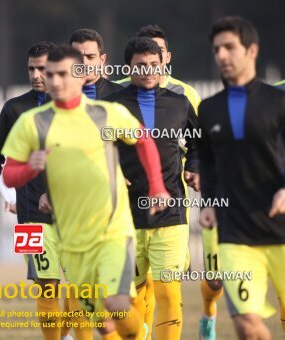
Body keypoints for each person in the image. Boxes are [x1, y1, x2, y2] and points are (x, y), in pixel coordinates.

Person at [2, 45, 169, 339]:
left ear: (81, 75)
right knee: (91, 318)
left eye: (61, 74)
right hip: (61, 234)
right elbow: (8, 172)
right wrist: (30, 168)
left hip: (111, 232)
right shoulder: (30, 119)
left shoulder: (107, 114)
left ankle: (137, 332)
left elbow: (143, 140)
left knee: (116, 305)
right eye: (47, 74)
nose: (52, 81)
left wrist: (156, 187)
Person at [0, 41, 72, 340]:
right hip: (28, 215)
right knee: (45, 284)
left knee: (82, 283)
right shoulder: (14, 108)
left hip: (73, 213)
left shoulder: (73, 108)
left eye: (42, 68)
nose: (36, 74)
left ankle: (67, 334)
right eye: (31, 68)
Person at [105, 37, 199, 340]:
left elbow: (199, 145)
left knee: (168, 295)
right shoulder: (113, 104)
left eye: (154, 65)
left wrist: (194, 167)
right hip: (124, 216)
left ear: (163, 65)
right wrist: (113, 171)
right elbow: (94, 147)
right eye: (140, 65)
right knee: (127, 301)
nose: (147, 71)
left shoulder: (179, 102)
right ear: (128, 67)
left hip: (171, 214)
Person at [198, 16, 285, 340]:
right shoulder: (207, 110)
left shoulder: (279, 102)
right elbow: (206, 161)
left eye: (229, 47)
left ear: (251, 51)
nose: (221, 55)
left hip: (281, 228)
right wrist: (207, 202)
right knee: (247, 326)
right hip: (236, 236)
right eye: (217, 49)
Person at [69, 28, 124, 99]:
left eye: (90, 57)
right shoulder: (55, 95)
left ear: (102, 59)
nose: (84, 63)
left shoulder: (121, 95)